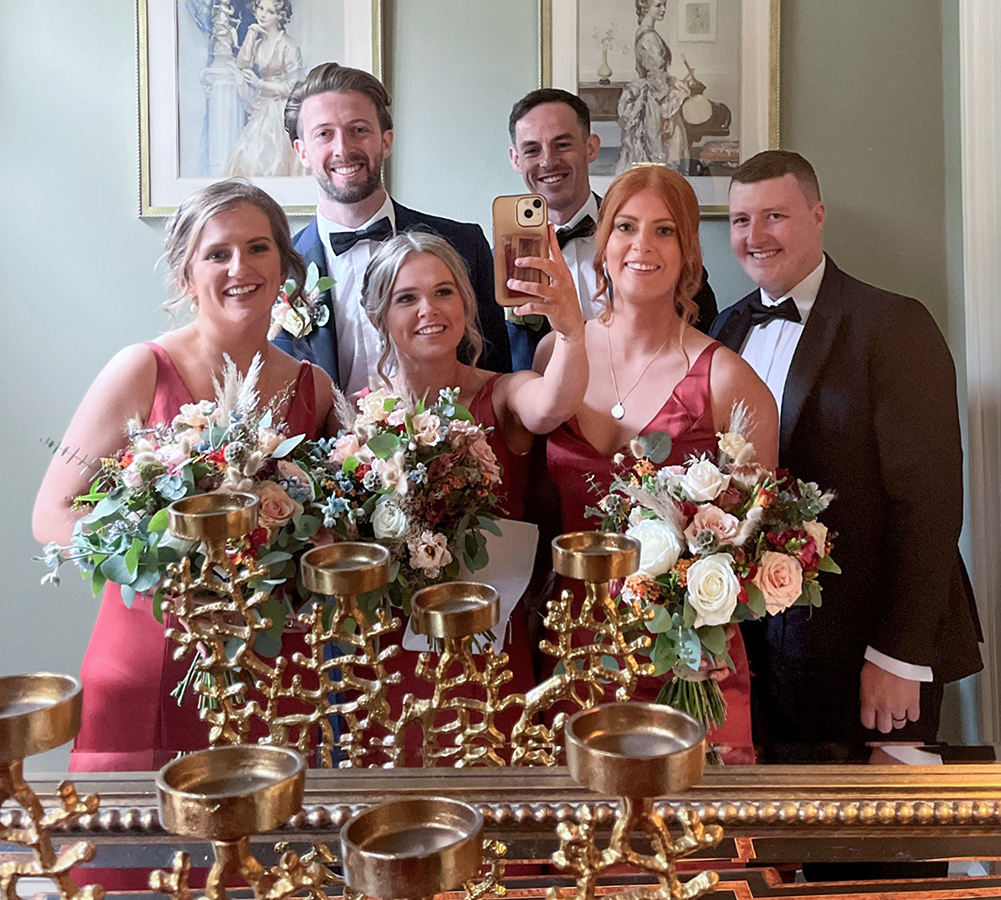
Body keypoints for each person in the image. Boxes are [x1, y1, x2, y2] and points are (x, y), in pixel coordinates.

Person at [32, 180, 337, 773]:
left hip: (267, 665)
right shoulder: (142, 369)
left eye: (258, 248)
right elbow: (51, 513)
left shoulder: (313, 387)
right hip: (150, 653)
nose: (239, 267)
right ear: (185, 277)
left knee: (261, 860)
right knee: (133, 857)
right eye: (216, 253)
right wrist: (167, 571)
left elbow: (322, 522)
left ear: (285, 267)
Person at [710, 150, 983, 760]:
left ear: (817, 214)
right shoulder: (724, 331)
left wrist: (898, 655)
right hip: (762, 650)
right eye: (740, 220)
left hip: (868, 645)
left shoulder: (892, 324)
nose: (755, 237)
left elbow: (931, 504)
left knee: (879, 847)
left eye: (774, 215)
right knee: (782, 840)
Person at [541, 165, 778, 763]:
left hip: (685, 664)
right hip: (571, 647)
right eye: (625, 226)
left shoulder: (728, 380)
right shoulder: (556, 352)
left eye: (664, 231)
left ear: (689, 251)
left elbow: (754, 542)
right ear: (603, 242)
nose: (642, 246)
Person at [359, 229, 588, 763]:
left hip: (492, 648)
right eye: (406, 298)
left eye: (444, 292)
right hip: (394, 653)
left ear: (466, 302)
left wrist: (571, 332)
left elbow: (551, 406)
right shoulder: (356, 415)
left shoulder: (504, 393)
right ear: (379, 316)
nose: (428, 310)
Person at [275, 63, 511, 392]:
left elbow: (495, 377)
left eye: (359, 130)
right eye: (324, 134)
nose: (343, 148)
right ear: (302, 151)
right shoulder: (278, 269)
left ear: (386, 141)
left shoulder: (464, 245)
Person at [507, 88, 718, 370]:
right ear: (516, 159)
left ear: (591, 147)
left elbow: (703, 347)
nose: (548, 161)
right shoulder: (501, 263)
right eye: (532, 149)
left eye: (562, 144)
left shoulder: (655, 248)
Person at [223, 0, 305, 177]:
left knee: (272, 157)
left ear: (280, 17)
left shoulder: (288, 45)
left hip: (279, 109)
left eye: (270, 12)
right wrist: (251, 34)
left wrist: (260, 84)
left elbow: (294, 87)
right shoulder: (260, 43)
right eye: (260, 8)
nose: (262, 14)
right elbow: (243, 62)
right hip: (263, 105)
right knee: (246, 154)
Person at [617, 0, 690, 173]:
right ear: (645, 7)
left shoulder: (648, 33)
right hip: (654, 99)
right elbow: (655, 75)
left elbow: (657, 71)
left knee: (660, 149)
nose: (663, 9)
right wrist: (674, 87)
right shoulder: (648, 37)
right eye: (658, 5)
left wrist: (673, 81)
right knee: (658, 147)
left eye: (664, 4)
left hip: (655, 92)